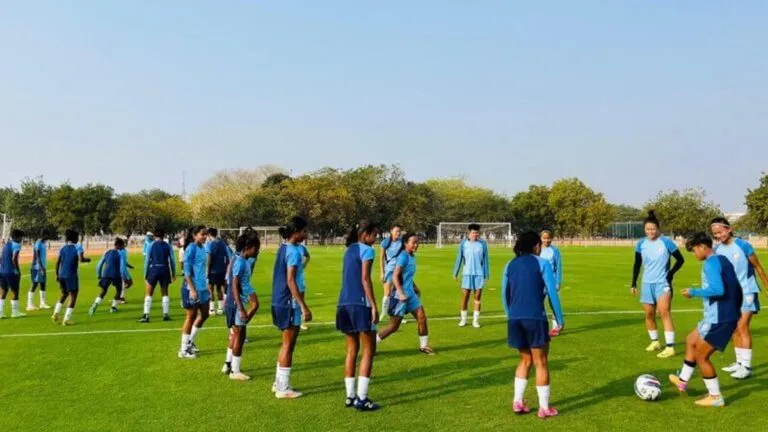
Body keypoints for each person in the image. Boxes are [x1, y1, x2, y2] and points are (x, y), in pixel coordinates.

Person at [669, 233, 742, 407]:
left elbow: (718, 290)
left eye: (694, 250)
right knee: (691, 340)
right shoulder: (722, 259)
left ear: (702, 246)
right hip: (718, 315)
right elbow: (736, 288)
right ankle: (682, 381)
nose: (694, 254)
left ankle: (715, 397)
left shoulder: (710, 263)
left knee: (701, 356)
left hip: (720, 318)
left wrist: (693, 292)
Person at [502, 231, 564, 418]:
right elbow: (552, 293)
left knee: (525, 360)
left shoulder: (510, 264)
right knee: (541, 362)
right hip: (535, 318)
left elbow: (504, 293)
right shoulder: (542, 263)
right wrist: (559, 320)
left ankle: (517, 402)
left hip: (515, 319)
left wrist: (510, 314)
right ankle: (544, 408)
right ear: (537, 246)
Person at [711, 217, 768, 379]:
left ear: (729, 229)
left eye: (720, 232)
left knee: (742, 327)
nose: (718, 236)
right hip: (730, 293)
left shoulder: (743, 246)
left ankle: (747, 367)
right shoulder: (717, 249)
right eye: (715, 234)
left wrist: (767, 286)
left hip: (747, 291)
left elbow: (758, 266)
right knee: (734, 328)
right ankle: (739, 363)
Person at [336, 222, 380, 411]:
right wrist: (374, 305)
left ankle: (350, 395)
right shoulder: (368, 251)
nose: (376, 239)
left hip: (343, 303)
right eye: (374, 235)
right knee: (369, 350)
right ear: (366, 234)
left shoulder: (349, 250)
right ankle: (362, 398)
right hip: (361, 304)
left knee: (351, 350)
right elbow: (365, 278)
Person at [631, 210, 685, 358]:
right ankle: (655, 342)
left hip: (662, 283)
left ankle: (670, 347)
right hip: (646, 283)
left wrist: (671, 273)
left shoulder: (666, 242)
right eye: (648, 229)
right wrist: (633, 283)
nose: (650, 232)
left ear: (658, 229)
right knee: (649, 314)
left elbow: (680, 260)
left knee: (664, 312)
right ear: (644, 229)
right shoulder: (641, 243)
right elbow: (637, 264)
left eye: (653, 229)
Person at [271, 216, 313, 399]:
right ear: (296, 232)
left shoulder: (284, 248)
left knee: (286, 344)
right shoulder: (294, 252)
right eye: (304, 231)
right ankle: (283, 388)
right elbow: (290, 280)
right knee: (289, 345)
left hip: (280, 300)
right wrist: (304, 306)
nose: (306, 234)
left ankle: (279, 382)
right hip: (289, 302)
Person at [376, 232, 435, 355]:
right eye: (413, 242)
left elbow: (406, 276)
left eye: (417, 242)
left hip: (410, 294)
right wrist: (401, 293)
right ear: (405, 243)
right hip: (400, 296)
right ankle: (372, 344)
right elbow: (395, 276)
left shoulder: (412, 256)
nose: (416, 245)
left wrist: (415, 287)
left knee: (422, 317)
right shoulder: (403, 257)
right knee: (393, 327)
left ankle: (423, 346)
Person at [222, 232, 261, 381]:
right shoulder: (239, 262)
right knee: (239, 335)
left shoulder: (242, 260)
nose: (257, 251)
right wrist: (240, 308)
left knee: (238, 332)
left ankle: (228, 364)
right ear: (247, 248)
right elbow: (234, 285)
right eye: (256, 248)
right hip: (235, 303)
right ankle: (235, 371)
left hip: (239, 300)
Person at [179, 225, 210, 358]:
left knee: (205, 314)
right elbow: (187, 271)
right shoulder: (191, 248)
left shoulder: (202, 248)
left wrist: (206, 285)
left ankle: (189, 342)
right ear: (194, 235)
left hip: (202, 287)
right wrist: (192, 289)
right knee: (190, 317)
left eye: (206, 234)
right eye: (202, 234)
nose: (205, 237)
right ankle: (183, 350)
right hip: (191, 288)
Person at [453, 223, 490, 328]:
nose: (475, 234)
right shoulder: (463, 243)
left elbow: (485, 260)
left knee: (477, 297)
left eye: (477, 233)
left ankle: (475, 321)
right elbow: (459, 258)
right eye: (473, 232)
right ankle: (463, 319)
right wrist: (455, 272)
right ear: (469, 233)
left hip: (479, 274)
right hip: (467, 273)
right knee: (465, 296)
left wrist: (486, 275)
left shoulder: (483, 244)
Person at [139, 229, 176, 323]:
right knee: (165, 292)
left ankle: (146, 315)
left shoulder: (151, 245)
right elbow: (172, 260)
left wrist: (145, 274)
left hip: (154, 269)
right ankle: (166, 314)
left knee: (149, 293)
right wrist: (173, 273)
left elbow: (147, 260)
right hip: (165, 269)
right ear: (164, 236)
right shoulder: (168, 245)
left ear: (154, 236)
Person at [89, 238, 128, 315]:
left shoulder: (107, 252)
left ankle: (95, 304)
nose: (123, 247)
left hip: (106, 274)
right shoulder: (121, 253)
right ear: (118, 245)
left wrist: (99, 275)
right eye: (122, 245)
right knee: (119, 290)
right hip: (116, 275)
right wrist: (125, 276)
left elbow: (99, 264)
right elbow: (123, 266)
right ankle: (113, 307)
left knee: (103, 291)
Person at [52, 229, 83, 325]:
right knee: (73, 296)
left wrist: (56, 274)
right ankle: (66, 319)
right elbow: (81, 259)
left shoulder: (63, 248)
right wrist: (86, 260)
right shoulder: (78, 247)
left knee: (64, 294)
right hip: (71, 275)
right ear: (75, 238)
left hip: (62, 275)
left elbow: (57, 262)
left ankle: (55, 314)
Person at [539, 230, 564, 336]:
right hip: (539, 281)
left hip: (552, 281)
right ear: (540, 238)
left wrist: (558, 282)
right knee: (538, 304)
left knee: (553, 303)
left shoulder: (555, 250)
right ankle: (541, 327)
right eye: (544, 238)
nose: (546, 240)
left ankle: (555, 327)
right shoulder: (537, 250)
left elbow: (558, 267)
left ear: (551, 238)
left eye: (548, 238)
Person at [379, 225, 402, 321]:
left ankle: (397, 314)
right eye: (396, 231)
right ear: (391, 231)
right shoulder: (386, 242)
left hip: (399, 271)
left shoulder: (402, 242)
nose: (398, 233)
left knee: (398, 293)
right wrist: (382, 272)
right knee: (387, 293)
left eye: (399, 231)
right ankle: (383, 313)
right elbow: (381, 258)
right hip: (389, 270)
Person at [206, 228, 231, 316]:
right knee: (219, 289)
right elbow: (228, 257)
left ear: (209, 235)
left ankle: (212, 309)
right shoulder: (222, 244)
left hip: (213, 271)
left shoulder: (210, 244)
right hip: (222, 270)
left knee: (210, 289)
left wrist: (207, 271)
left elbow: (209, 258)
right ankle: (220, 309)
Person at [0, 229, 25, 318]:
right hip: (11, 272)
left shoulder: (6, 245)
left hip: (2, 271)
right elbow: (14, 258)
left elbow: (0, 258)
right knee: (15, 292)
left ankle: (0, 313)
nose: (21, 239)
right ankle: (15, 312)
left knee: (3, 291)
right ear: (17, 237)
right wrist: (17, 270)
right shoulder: (17, 245)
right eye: (21, 237)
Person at [27, 229, 52, 311]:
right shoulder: (38, 243)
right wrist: (41, 268)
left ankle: (42, 303)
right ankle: (29, 304)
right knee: (34, 284)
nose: (48, 237)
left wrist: (43, 267)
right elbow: (37, 256)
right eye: (47, 235)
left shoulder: (43, 243)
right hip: (37, 267)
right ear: (44, 234)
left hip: (42, 267)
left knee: (43, 284)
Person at [298, 242, 311, 331]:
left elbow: (308, 256)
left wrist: (303, 265)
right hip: (291, 277)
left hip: (300, 277)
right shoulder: (288, 247)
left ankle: (300, 322)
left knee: (301, 299)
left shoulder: (302, 247)